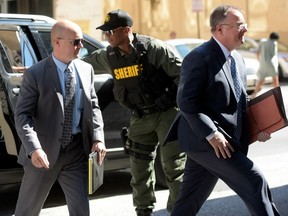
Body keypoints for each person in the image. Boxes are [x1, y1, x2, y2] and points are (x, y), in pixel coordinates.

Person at [165, 5, 280, 215]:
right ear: (220, 29)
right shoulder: (198, 57)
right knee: (255, 181)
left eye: (245, 24)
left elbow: (239, 102)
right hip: (207, 142)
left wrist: (258, 128)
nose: (245, 29)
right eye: (239, 25)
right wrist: (212, 134)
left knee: (189, 199)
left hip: (225, 141)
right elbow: (187, 101)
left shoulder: (237, 58)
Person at [84, 9, 186, 216]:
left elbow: (184, 76)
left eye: (111, 31)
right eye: (105, 32)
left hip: (166, 114)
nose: (107, 35)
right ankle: (143, 210)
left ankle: (180, 211)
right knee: (139, 168)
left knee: (174, 168)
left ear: (127, 30)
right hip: (139, 118)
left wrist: (169, 97)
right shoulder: (108, 56)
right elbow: (78, 63)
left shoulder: (155, 49)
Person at [14, 20, 106, 216]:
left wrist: (98, 138)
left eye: (81, 41)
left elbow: (94, 107)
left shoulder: (85, 69)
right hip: (42, 155)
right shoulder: (35, 74)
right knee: (26, 211)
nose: (81, 46)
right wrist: (34, 148)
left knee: (81, 211)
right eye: (76, 42)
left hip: (76, 153)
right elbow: (22, 115)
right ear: (57, 42)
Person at [251, 32, 280, 98]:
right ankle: (277, 95)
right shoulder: (274, 43)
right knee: (275, 80)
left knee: (260, 80)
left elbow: (257, 52)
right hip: (272, 64)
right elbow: (274, 54)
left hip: (263, 64)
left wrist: (259, 60)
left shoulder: (262, 41)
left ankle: (254, 94)